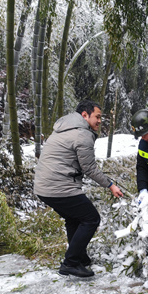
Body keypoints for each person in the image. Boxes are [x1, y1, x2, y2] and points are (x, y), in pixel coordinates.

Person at [34, 100, 123, 278]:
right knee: (91, 219)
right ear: (85, 115)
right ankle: (71, 263)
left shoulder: (64, 128)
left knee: (73, 219)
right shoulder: (82, 134)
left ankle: (79, 256)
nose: (99, 121)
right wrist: (110, 185)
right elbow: (89, 168)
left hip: (43, 186)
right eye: (97, 117)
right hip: (58, 186)